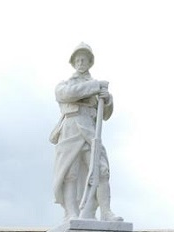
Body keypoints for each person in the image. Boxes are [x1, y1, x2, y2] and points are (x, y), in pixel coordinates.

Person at [50, 43, 122, 222]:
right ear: (73, 63)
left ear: (90, 62)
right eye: (78, 59)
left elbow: (104, 114)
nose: (81, 62)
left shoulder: (98, 88)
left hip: (90, 130)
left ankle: (106, 212)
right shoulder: (65, 85)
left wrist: (107, 100)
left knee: (102, 171)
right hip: (71, 128)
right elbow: (67, 94)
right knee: (70, 172)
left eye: (84, 59)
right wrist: (96, 87)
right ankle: (71, 213)